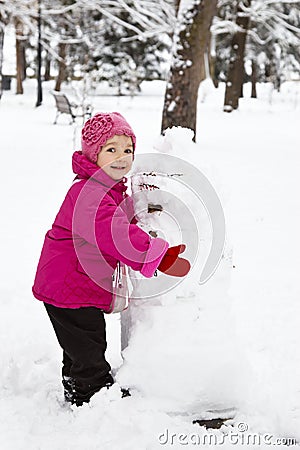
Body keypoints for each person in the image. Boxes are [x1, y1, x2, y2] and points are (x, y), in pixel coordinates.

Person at [32, 112, 190, 407]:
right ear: (94, 155)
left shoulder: (101, 189)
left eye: (127, 150)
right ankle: (92, 395)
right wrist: (157, 253)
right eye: (111, 149)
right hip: (68, 288)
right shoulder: (88, 193)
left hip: (70, 286)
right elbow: (115, 233)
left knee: (80, 344)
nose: (122, 157)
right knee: (88, 344)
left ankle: (77, 385)